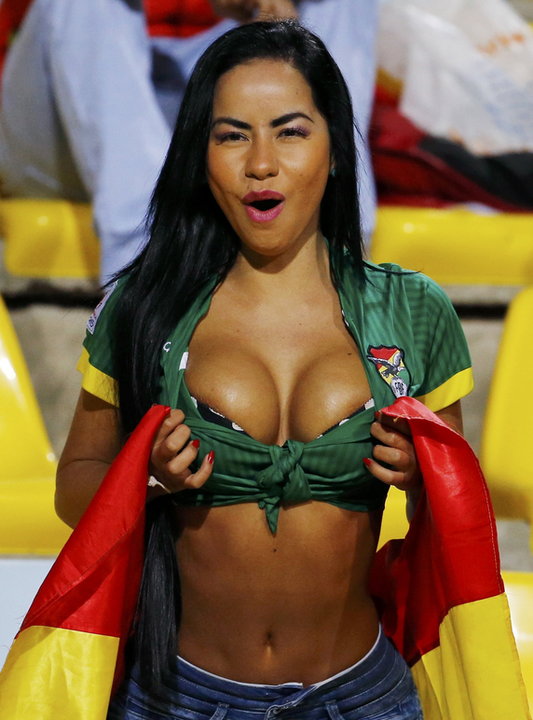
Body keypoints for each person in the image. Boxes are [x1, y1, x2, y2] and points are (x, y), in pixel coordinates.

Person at [56, 20, 472, 720]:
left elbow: (458, 520)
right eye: (230, 135)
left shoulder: (413, 308)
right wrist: (143, 474)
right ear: (200, 154)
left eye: (289, 131)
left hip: (365, 699)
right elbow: (74, 489)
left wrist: (425, 478)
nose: (259, 164)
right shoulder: (142, 306)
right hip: (176, 698)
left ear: (335, 150)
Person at [0, 0, 378, 283]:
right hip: (69, 102)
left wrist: (278, 31)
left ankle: (337, 253)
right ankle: (149, 279)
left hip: (205, 91)